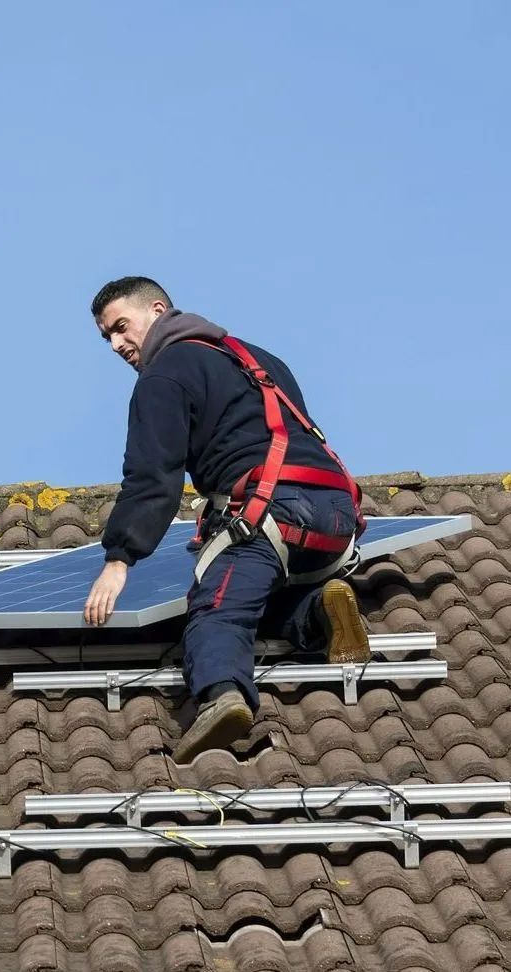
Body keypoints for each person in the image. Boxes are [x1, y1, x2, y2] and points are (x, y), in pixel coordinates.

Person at [83, 276, 370, 763]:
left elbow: (153, 475)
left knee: (219, 609)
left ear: (157, 310)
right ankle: (322, 609)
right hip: (336, 515)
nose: (116, 344)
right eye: (107, 337)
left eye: (121, 327)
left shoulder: (164, 375)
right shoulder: (256, 356)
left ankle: (222, 697)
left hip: (268, 510)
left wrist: (120, 558)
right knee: (266, 602)